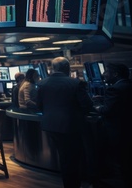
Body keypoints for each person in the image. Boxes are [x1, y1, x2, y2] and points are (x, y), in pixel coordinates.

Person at [36, 57, 93, 188]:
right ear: (66, 67)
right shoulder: (75, 83)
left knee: (65, 158)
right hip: (70, 126)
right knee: (72, 160)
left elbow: (39, 106)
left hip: (50, 126)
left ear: (53, 68)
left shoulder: (42, 83)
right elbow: (87, 105)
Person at [95, 63, 132, 187]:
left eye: (106, 71)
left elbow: (108, 110)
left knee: (120, 163)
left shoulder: (114, 89)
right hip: (130, 130)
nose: (103, 74)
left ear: (115, 74)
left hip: (118, 132)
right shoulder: (130, 85)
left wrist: (97, 107)